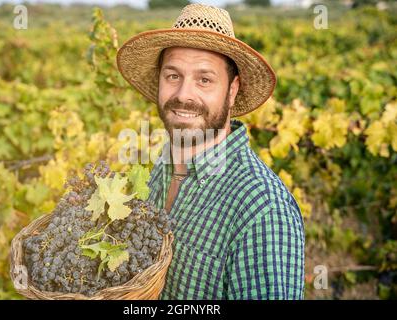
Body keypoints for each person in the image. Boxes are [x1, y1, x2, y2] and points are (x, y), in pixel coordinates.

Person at [117, 3, 305, 300]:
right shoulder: (159, 168)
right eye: (173, 76)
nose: (183, 95)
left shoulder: (262, 210)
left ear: (232, 90)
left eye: (204, 79)